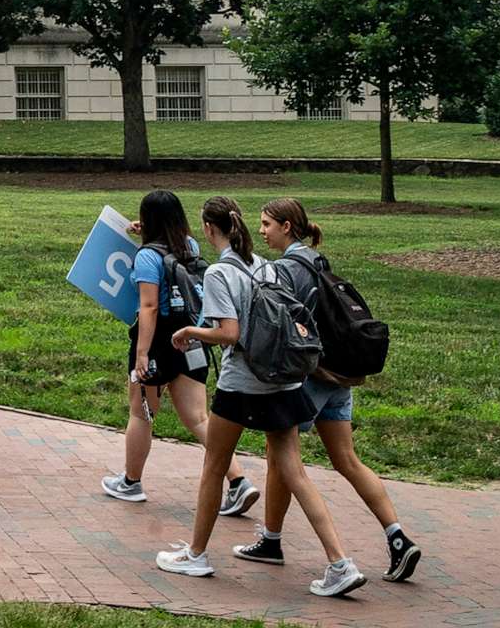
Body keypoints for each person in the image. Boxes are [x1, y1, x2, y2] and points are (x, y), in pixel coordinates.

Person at [154, 196, 364, 600]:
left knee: (214, 467)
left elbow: (229, 334)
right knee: (295, 473)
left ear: (210, 229)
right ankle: (340, 563)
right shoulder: (265, 265)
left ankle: (196, 554)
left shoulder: (219, 273)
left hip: (241, 384)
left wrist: (190, 333)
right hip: (282, 382)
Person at [242, 198, 421, 584]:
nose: (262, 231)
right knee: (347, 460)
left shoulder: (287, 269)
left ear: (287, 226)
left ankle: (272, 541)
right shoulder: (318, 261)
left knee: (280, 456)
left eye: (267, 224)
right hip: (340, 375)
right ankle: (398, 539)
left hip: (309, 375)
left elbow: (281, 325)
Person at [104, 189, 258, 519]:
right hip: (192, 337)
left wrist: (142, 354)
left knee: (141, 412)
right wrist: (144, 228)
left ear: (149, 221)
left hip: (158, 340)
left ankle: (131, 482)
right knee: (199, 419)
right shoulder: (191, 247)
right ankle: (239, 480)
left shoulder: (147, 257)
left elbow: (148, 307)